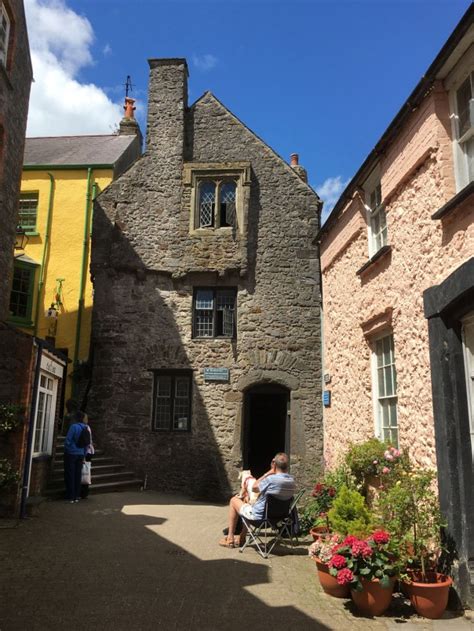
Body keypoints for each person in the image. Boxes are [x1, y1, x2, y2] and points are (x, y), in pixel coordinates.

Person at [219, 452, 296, 548]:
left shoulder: (271, 479)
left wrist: (269, 472)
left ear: (274, 463)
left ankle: (230, 539)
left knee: (234, 500)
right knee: (246, 500)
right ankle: (242, 537)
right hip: (277, 520)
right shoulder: (292, 482)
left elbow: (254, 487)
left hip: (258, 519)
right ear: (287, 466)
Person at [63, 410, 89, 503]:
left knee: (70, 474)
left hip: (71, 453)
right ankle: (77, 496)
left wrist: (66, 449)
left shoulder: (73, 427)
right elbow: (87, 443)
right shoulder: (85, 428)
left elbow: (68, 440)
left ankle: (70, 496)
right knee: (78, 475)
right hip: (81, 454)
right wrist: (84, 454)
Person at [80, 413, 95, 499]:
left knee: (84, 472)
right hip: (89, 451)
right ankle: (84, 492)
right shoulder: (87, 427)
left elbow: (87, 442)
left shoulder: (85, 428)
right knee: (86, 472)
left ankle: (83, 492)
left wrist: (84, 455)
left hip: (86, 452)